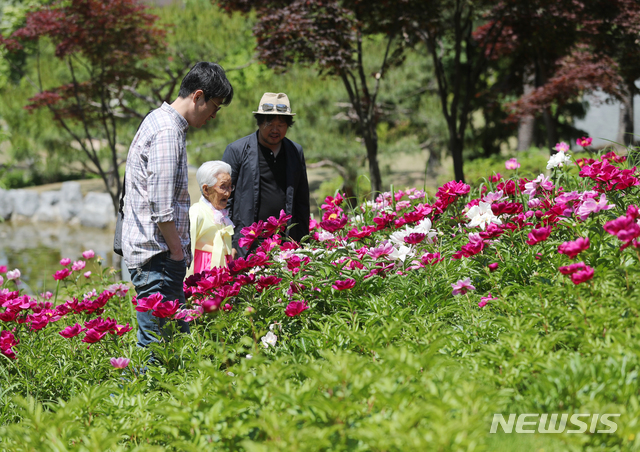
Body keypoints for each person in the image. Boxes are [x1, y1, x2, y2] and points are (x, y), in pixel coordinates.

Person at [122, 62, 233, 348]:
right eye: (215, 108)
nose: (213, 116)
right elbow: (161, 206)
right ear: (198, 96)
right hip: (158, 256)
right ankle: (140, 393)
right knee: (161, 345)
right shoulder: (167, 132)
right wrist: (175, 252)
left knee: (165, 343)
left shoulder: (158, 121)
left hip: (155, 255)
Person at [222, 92, 310, 257]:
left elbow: (302, 201)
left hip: (285, 244)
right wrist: (229, 242)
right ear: (260, 122)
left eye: (281, 124)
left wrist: (303, 244)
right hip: (245, 244)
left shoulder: (295, 152)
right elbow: (224, 200)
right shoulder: (237, 151)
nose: (275, 129)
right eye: (269, 123)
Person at [187, 161, 235, 276]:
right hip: (202, 271)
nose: (228, 193)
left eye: (230, 186)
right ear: (206, 190)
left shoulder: (222, 214)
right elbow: (187, 249)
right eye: (223, 187)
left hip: (222, 270)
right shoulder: (196, 213)